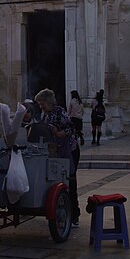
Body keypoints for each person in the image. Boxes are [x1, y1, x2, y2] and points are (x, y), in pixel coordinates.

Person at [35, 88, 80, 226]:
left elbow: (71, 128)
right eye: (39, 104)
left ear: (48, 102)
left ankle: (74, 216)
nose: (40, 106)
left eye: (42, 103)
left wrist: (59, 133)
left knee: (70, 182)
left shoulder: (60, 112)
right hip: (56, 152)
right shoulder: (45, 114)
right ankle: (62, 212)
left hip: (69, 151)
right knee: (58, 183)